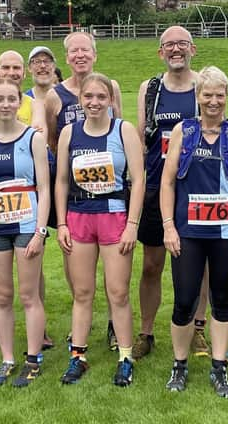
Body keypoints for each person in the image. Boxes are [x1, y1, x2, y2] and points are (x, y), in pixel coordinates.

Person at [161, 66, 228, 398]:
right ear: (197, 96)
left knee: (221, 299)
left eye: (219, 94)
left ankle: (219, 369)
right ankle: (180, 365)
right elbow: (168, 181)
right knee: (185, 300)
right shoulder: (183, 131)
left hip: (226, 232)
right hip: (187, 231)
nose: (213, 101)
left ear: (226, 95)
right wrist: (168, 227)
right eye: (207, 95)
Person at [55, 72, 144, 386]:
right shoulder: (69, 132)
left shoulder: (124, 130)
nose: (94, 102)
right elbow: (62, 180)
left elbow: (138, 179)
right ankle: (77, 356)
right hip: (79, 215)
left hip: (114, 215)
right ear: (80, 100)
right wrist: (62, 221)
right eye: (88, 97)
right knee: (82, 292)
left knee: (117, 292)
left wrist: (133, 224)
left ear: (110, 100)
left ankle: (125, 356)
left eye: (100, 97)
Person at [133, 25, 211, 361]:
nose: (175, 49)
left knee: (202, 263)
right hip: (155, 187)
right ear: (160, 52)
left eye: (181, 44)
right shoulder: (149, 89)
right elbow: (139, 139)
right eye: (169, 45)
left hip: (197, 187)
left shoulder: (204, 87)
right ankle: (146, 331)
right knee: (152, 264)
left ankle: (198, 328)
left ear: (193, 48)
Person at [45, 31, 123, 350]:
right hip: (75, 194)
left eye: (85, 50)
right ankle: (83, 320)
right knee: (76, 264)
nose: (80, 55)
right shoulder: (55, 95)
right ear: (66, 58)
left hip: (110, 196)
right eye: (74, 50)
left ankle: (113, 325)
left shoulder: (111, 87)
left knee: (115, 271)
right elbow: (52, 139)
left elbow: (119, 131)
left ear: (95, 54)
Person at [0, 78, 50, 387]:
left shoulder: (34, 137)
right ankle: (7, 359)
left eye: (10, 99)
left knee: (29, 295)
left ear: (20, 103)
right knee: (2, 296)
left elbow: (43, 187)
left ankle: (33, 358)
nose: (5, 104)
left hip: (28, 224)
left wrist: (41, 231)